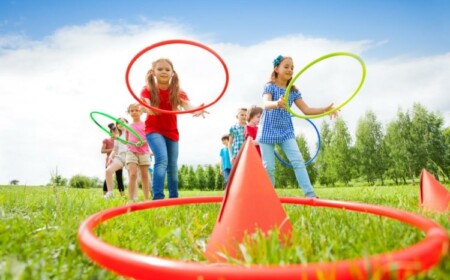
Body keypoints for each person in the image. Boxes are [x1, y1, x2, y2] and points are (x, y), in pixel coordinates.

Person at [255, 55, 337, 198]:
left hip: (286, 131)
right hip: (267, 129)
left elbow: (306, 110)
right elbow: (265, 104)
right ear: (276, 69)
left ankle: (310, 195)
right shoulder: (270, 87)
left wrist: (325, 110)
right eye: (286, 66)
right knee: (269, 168)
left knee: (298, 161)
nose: (290, 70)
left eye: (292, 67)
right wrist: (277, 103)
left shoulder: (293, 91)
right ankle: (268, 198)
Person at [140, 58, 207, 200]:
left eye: (167, 69)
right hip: (153, 129)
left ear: (172, 73)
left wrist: (197, 110)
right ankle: (158, 198)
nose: (163, 71)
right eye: (160, 69)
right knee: (161, 159)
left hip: (172, 132)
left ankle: (174, 198)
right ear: (153, 72)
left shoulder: (177, 91)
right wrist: (146, 108)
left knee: (172, 166)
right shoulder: (147, 89)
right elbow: (145, 104)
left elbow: (188, 105)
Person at [126, 103, 151, 201]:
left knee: (144, 176)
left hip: (143, 151)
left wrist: (143, 142)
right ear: (129, 112)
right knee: (132, 174)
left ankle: (146, 199)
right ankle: (131, 200)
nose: (134, 112)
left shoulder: (146, 124)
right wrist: (129, 145)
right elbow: (127, 140)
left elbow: (150, 138)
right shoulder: (128, 126)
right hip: (131, 151)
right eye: (132, 110)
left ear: (141, 112)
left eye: (136, 110)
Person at [104, 117, 129, 198]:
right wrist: (110, 157)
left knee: (133, 175)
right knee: (108, 171)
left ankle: (134, 196)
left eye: (123, 122)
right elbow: (115, 149)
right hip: (120, 157)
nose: (120, 124)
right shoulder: (117, 136)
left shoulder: (130, 133)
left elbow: (127, 142)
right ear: (117, 126)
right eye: (118, 123)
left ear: (127, 123)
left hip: (130, 156)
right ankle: (110, 193)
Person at [101, 123, 124, 195]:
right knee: (108, 176)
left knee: (119, 178)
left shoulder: (120, 139)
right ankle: (105, 194)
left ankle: (122, 195)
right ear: (110, 132)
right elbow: (102, 151)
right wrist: (113, 150)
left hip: (119, 159)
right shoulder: (106, 140)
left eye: (116, 131)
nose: (114, 132)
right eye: (112, 131)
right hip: (110, 160)